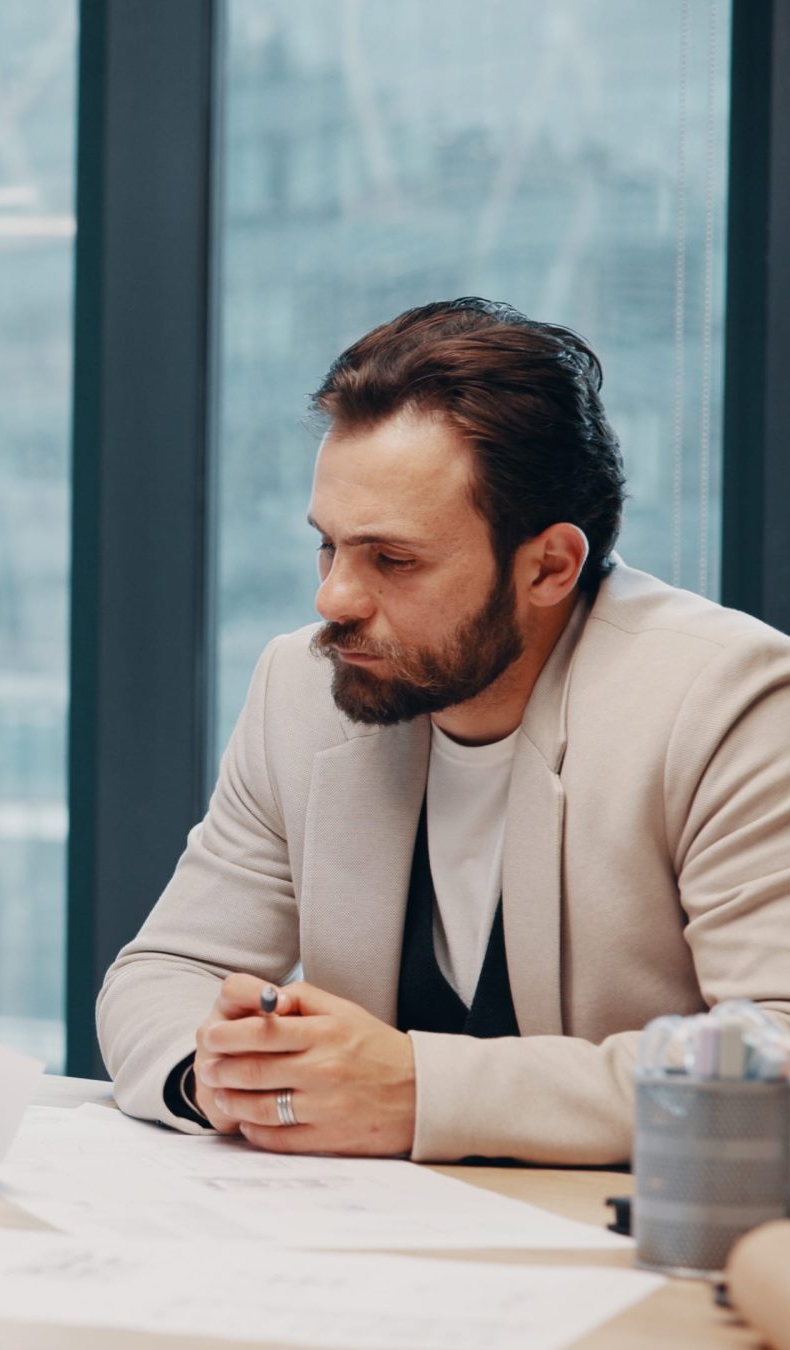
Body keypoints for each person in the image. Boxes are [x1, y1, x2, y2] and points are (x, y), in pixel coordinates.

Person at [97, 297, 790, 1165]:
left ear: (550, 566)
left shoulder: (728, 698)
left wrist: (424, 1092)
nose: (333, 601)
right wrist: (223, 1077)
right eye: (329, 546)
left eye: (393, 560)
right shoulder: (301, 688)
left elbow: (776, 1052)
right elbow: (160, 973)